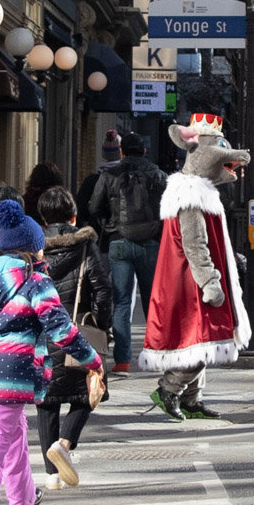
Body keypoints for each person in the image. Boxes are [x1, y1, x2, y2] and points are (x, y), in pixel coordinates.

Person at [0, 199, 103, 505]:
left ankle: (22, 497)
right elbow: (61, 330)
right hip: (17, 369)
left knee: (13, 431)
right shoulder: (34, 281)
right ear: (31, 249)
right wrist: (93, 361)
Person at [141, 116, 252, 421]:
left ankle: (192, 398)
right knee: (200, 339)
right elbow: (194, 245)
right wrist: (210, 282)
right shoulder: (191, 197)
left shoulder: (199, 192)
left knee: (202, 342)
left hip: (194, 281)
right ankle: (170, 388)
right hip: (193, 284)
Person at [34, 187, 112, 491]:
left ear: (42, 217)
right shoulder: (84, 246)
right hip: (77, 331)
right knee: (91, 390)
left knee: (46, 401)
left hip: (41, 332)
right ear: (73, 215)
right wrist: (100, 323)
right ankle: (65, 443)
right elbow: (103, 289)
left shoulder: (33, 248)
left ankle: (52, 474)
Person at [88, 131, 167, 374]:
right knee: (153, 300)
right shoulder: (158, 174)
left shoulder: (109, 174)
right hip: (151, 242)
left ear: (122, 152)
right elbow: (170, 207)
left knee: (121, 301)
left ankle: (122, 360)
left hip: (119, 241)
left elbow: (94, 206)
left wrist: (109, 225)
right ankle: (155, 354)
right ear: (144, 151)